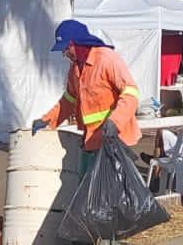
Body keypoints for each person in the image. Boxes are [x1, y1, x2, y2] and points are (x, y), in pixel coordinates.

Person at [31, 19, 141, 177]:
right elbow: (69, 99)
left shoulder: (106, 59)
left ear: (77, 43)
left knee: (111, 194)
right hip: (92, 141)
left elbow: (130, 93)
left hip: (115, 140)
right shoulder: (75, 68)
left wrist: (114, 123)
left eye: (66, 48)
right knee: (90, 192)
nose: (64, 54)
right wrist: (48, 120)